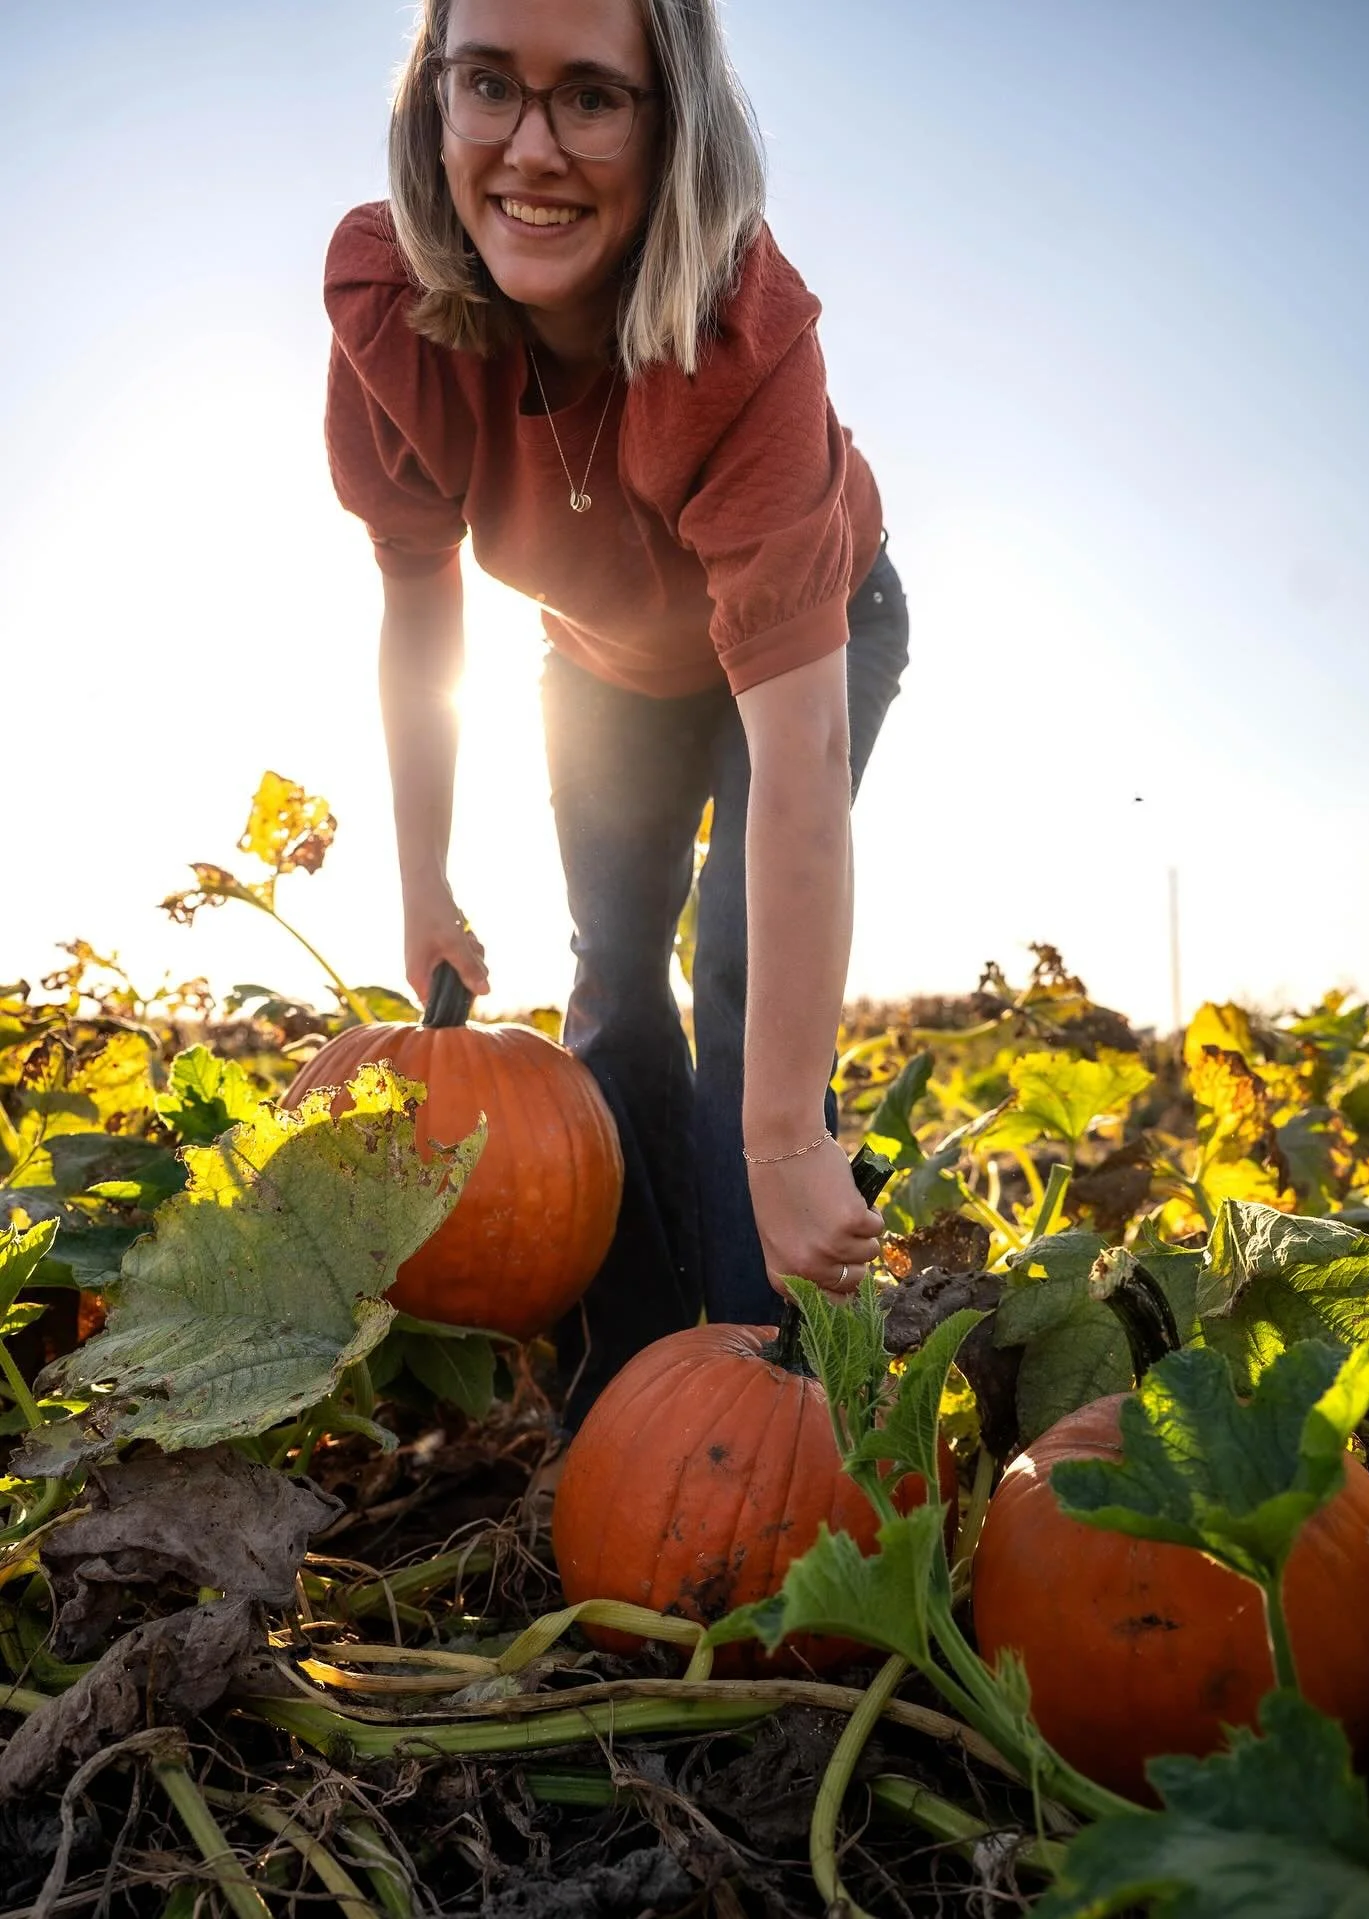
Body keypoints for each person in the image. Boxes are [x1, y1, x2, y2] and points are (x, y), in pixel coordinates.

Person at [324, 0, 910, 1427]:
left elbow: (799, 753)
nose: (531, 148)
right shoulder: (389, 306)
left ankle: (770, 1381)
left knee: (733, 960)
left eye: (591, 98)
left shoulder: (745, 343)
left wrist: (783, 1138)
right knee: (615, 973)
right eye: (487, 87)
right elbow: (419, 602)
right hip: (600, 660)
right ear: (433, 102)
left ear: (671, 120)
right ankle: (637, 1377)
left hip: (803, 645)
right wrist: (422, 880)